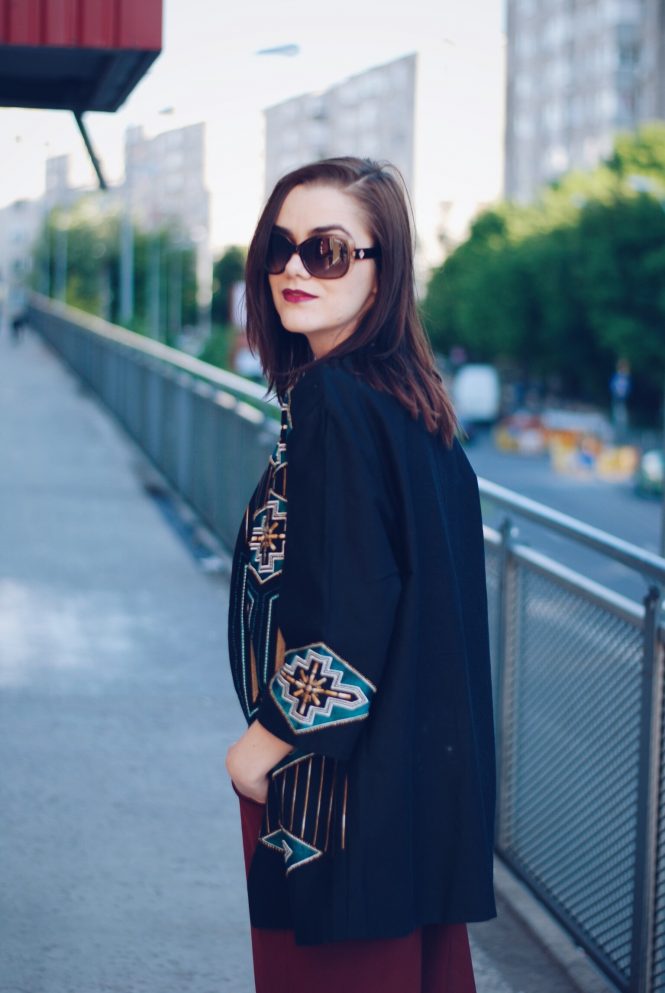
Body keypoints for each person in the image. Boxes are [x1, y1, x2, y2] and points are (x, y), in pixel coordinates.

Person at [226, 157, 496, 993]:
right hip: (411, 797)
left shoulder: (333, 403)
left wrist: (259, 748)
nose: (294, 269)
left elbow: (353, 610)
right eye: (279, 246)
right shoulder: (412, 399)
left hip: (334, 802)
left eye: (328, 250)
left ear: (383, 274)